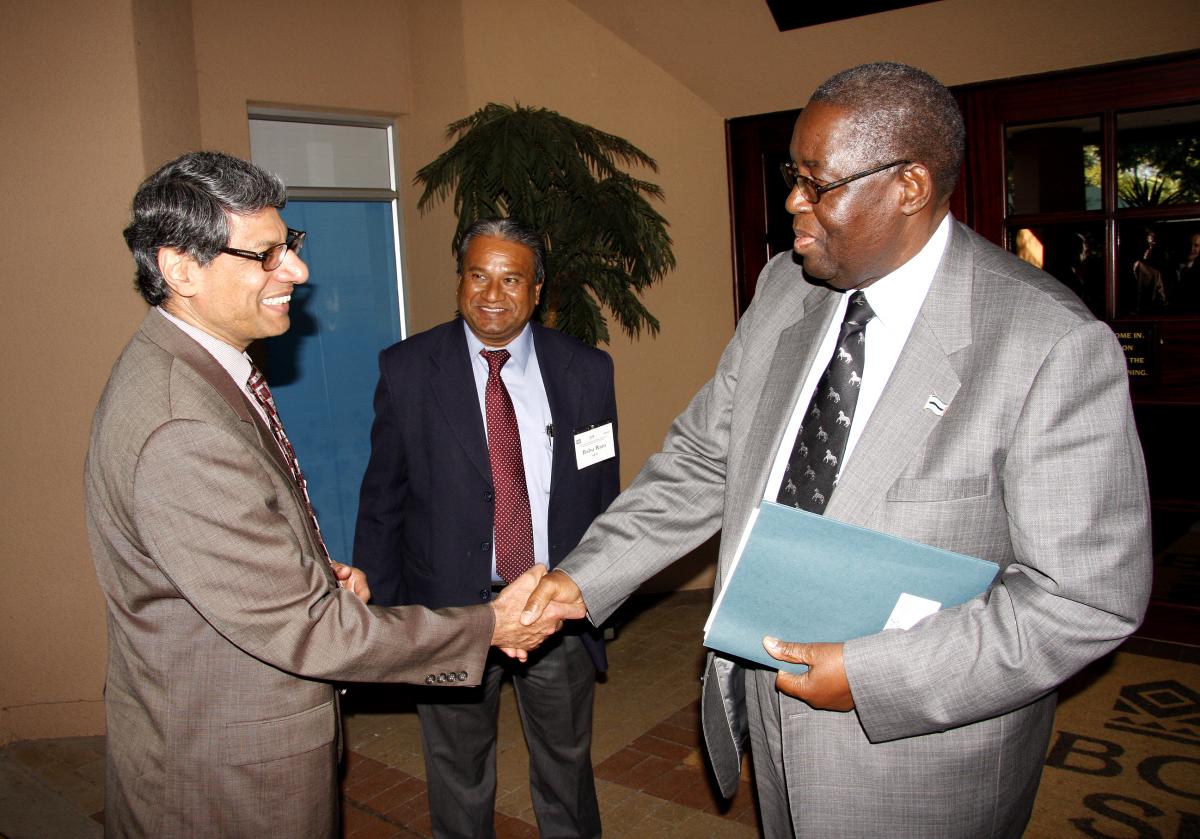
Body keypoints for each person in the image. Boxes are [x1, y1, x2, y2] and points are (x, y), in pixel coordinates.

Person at [523, 62, 1151, 838]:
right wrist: (583, 578)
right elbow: (704, 459)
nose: (793, 201)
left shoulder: (1048, 344)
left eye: (818, 184)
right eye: (794, 175)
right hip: (768, 711)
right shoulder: (785, 287)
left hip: (921, 761)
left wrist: (869, 676)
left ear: (910, 186)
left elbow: (1085, 598)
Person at [85, 152, 561, 838]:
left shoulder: (192, 370)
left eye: (292, 246)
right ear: (180, 267)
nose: (298, 271)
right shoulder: (180, 423)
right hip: (223, 773)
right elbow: (311, 632)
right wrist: (490, 625)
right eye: (266, 254)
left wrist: (303, 571)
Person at [353, 218, 618, 838]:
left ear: (536, 290)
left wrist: (600, 592)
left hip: (556, 607)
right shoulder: (408, 368)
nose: (492, 294)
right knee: (457, 771)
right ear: (459, 281)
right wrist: (387, 622)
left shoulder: (586, 370)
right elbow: (382, 500)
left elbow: (601, 489)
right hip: (451, 614)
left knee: (566, 765)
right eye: (478, 275)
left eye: (510, 279)